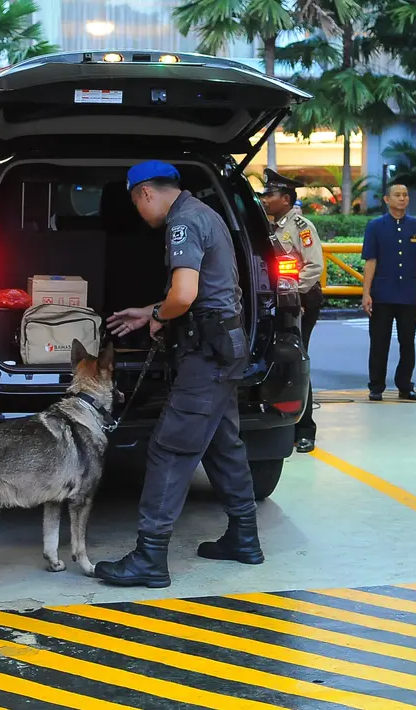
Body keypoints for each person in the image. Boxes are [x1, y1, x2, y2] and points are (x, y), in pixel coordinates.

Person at [97, 160, 260, 588]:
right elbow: (199, 290)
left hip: (205, 355)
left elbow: (184, 294)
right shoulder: (208, 214)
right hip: (227, 348)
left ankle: (150, 557)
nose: (138, 211)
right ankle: (244, 537)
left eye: (135, 202)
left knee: (170, 449)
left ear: (145, 193)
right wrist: (154, 312)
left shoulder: (182, 223)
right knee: (223, 444)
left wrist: (159, 312)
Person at [258, 168, 323, 453]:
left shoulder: (301, 227)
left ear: (285, 199)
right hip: (276, 302)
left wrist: (290, 291)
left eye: (269, 195)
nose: (264, 199)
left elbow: (314, 267)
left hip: (300, 300)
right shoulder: (267, 227)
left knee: (297, 359)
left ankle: (305, 430)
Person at [361, 183, 416, 401]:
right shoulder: (375, 226)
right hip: (382, 294)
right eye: (397, 195)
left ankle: (405, 385)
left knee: (407, 343)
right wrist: (366, 293)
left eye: (405, 195)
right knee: (379, 343)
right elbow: (371, 261)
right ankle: (376, 386)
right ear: (386, 200)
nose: (402, 198)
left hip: (409, 294)